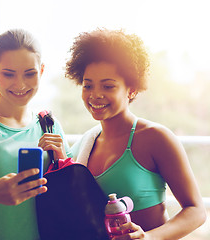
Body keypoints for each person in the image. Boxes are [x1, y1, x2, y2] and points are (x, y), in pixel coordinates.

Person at [65, 28, 206, 239]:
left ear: (131, 89)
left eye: (108, 86)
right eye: (88, 85)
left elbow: (196, 211)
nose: (95, 95)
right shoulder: (85, 144)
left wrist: (149, 237)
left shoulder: (156, 138)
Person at [0, 29, 72, 240]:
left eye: (30, 73)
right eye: (9, 74)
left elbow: (70, 195)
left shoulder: (50, 126)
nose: (20, 84)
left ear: (42, 70)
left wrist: (62, 157)